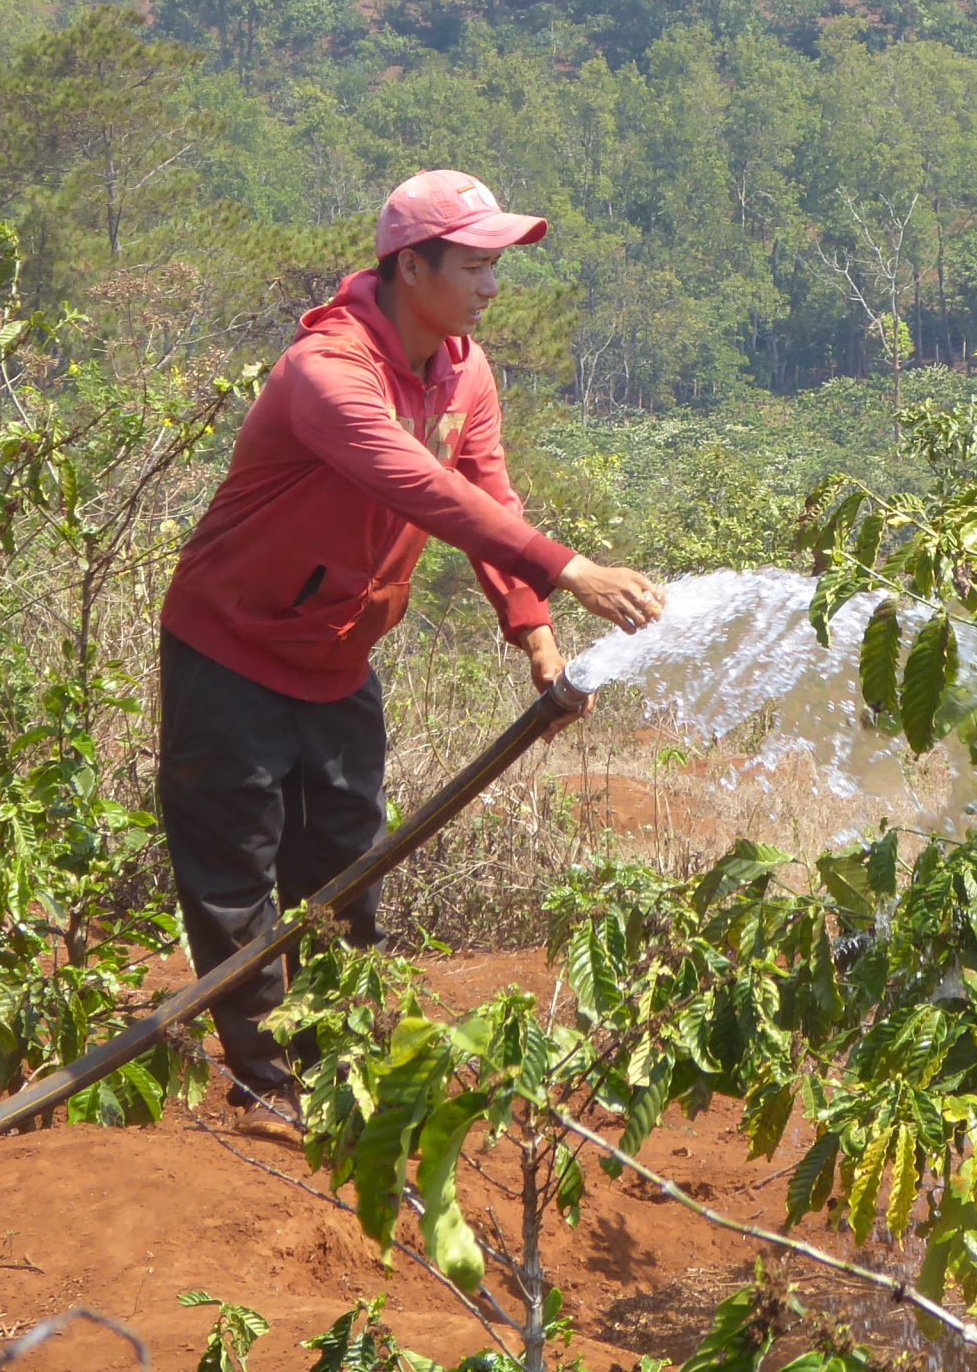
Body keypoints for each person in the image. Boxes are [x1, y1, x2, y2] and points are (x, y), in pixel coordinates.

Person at [156, 170, 665, 1133]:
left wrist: (537, 632)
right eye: (474, 264)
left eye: (496, 264)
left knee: (347, 864)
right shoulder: (326, 373)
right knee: (235, 870)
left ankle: (340, 1060)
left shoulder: (465, 373)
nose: (490, 285)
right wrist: (573, 570)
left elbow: (490, 502)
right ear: (411, 264)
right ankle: (266, 1086)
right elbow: (420, 488)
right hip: (230, 650)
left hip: (341, 658)